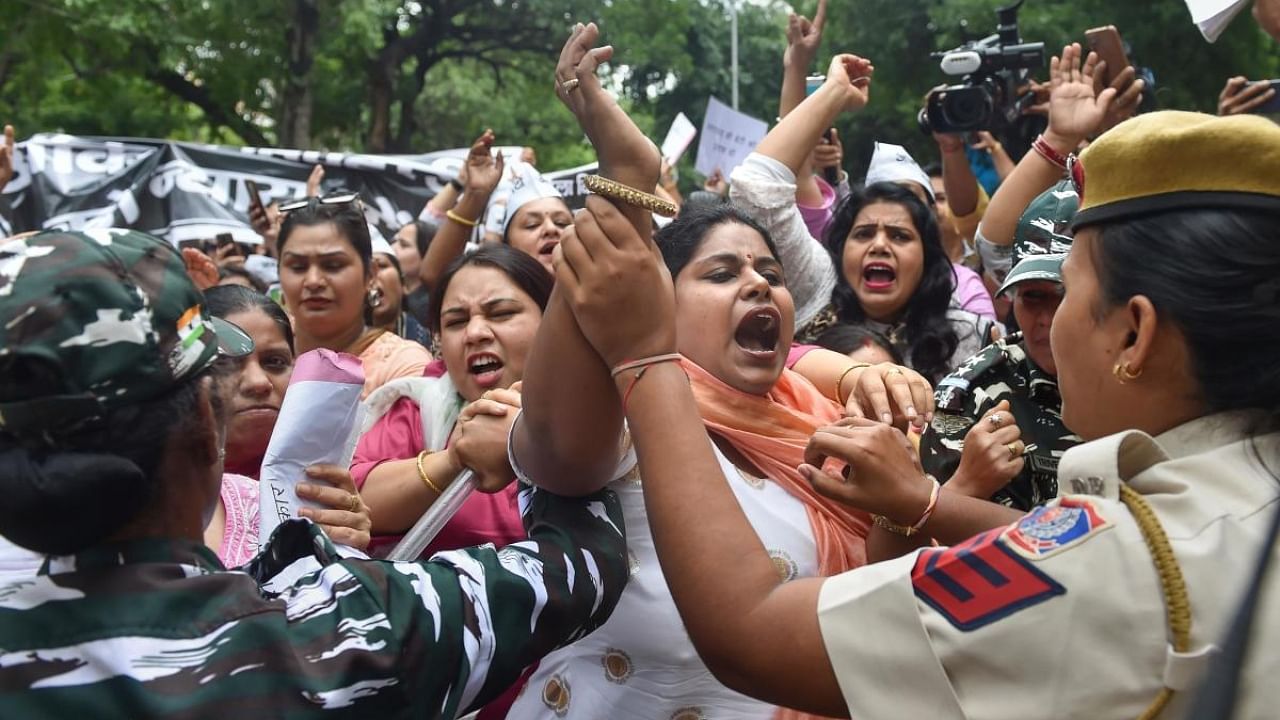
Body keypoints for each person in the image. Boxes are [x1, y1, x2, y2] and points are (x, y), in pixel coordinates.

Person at [557, 80, 1280, 718]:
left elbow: (756, 632)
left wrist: (644, 358)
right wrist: (923, 501)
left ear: (1134, 334)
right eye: (720, 272)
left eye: (1066, 290)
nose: (1039, 322)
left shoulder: (1120, 564)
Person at [0, 228, 629, 718]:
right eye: (456, 319)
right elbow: (580, 564)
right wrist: (529, 440)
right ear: (202, 420)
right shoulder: (335, 638)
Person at [507, 25, 930, 720]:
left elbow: (873, 601)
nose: (761, 286)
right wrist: (626, 181)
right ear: (656, 304)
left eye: (771, 274)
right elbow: (556, 446)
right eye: (723, 273)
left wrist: (911, 494)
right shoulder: (629, 416)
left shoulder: (826, 422)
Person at [726, 50, 997, 382]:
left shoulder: (971, 336)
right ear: (841, 249)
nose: (879, 245)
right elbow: (757, 187)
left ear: (927, 257)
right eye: (864, 233)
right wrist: (834, 92)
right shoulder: (816, 288)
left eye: (900, 236)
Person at [353, 244, 551, 557]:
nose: (475, 333)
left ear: (552, 321)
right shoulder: (419, 408)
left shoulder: (599, 406)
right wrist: (453, 460)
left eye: (501, 314)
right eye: (456, 322)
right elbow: (350, 501)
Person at [917, 182, 1083, 516]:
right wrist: (967, 485)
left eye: (1065, 295)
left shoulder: (1150, 378)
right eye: (1032, 297)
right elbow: (931, 542)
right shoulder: (971, 396)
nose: (1047, 319)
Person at [203, 285, 372, 566]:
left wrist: (347, 546)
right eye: (227, 364)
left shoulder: (327, 477)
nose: (258, 382)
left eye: (275, 362)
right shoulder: (161, 496)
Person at [276, 194, 431, 398]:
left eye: (333, 266)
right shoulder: (260, 360)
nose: (313, 281)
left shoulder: (404, 367)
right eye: (297, 267)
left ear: (370, 275)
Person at [421, 131, 572, 290]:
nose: (551, 229)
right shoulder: (492, 289)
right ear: (507, 245)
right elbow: (435, 275)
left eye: (561, 223)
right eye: (532, 225)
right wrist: (475, 195)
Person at [370, 233, 433, 347]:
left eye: (381, 265)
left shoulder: (426, 342)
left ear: (404, 285)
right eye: (366, 270)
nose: (372, 276)